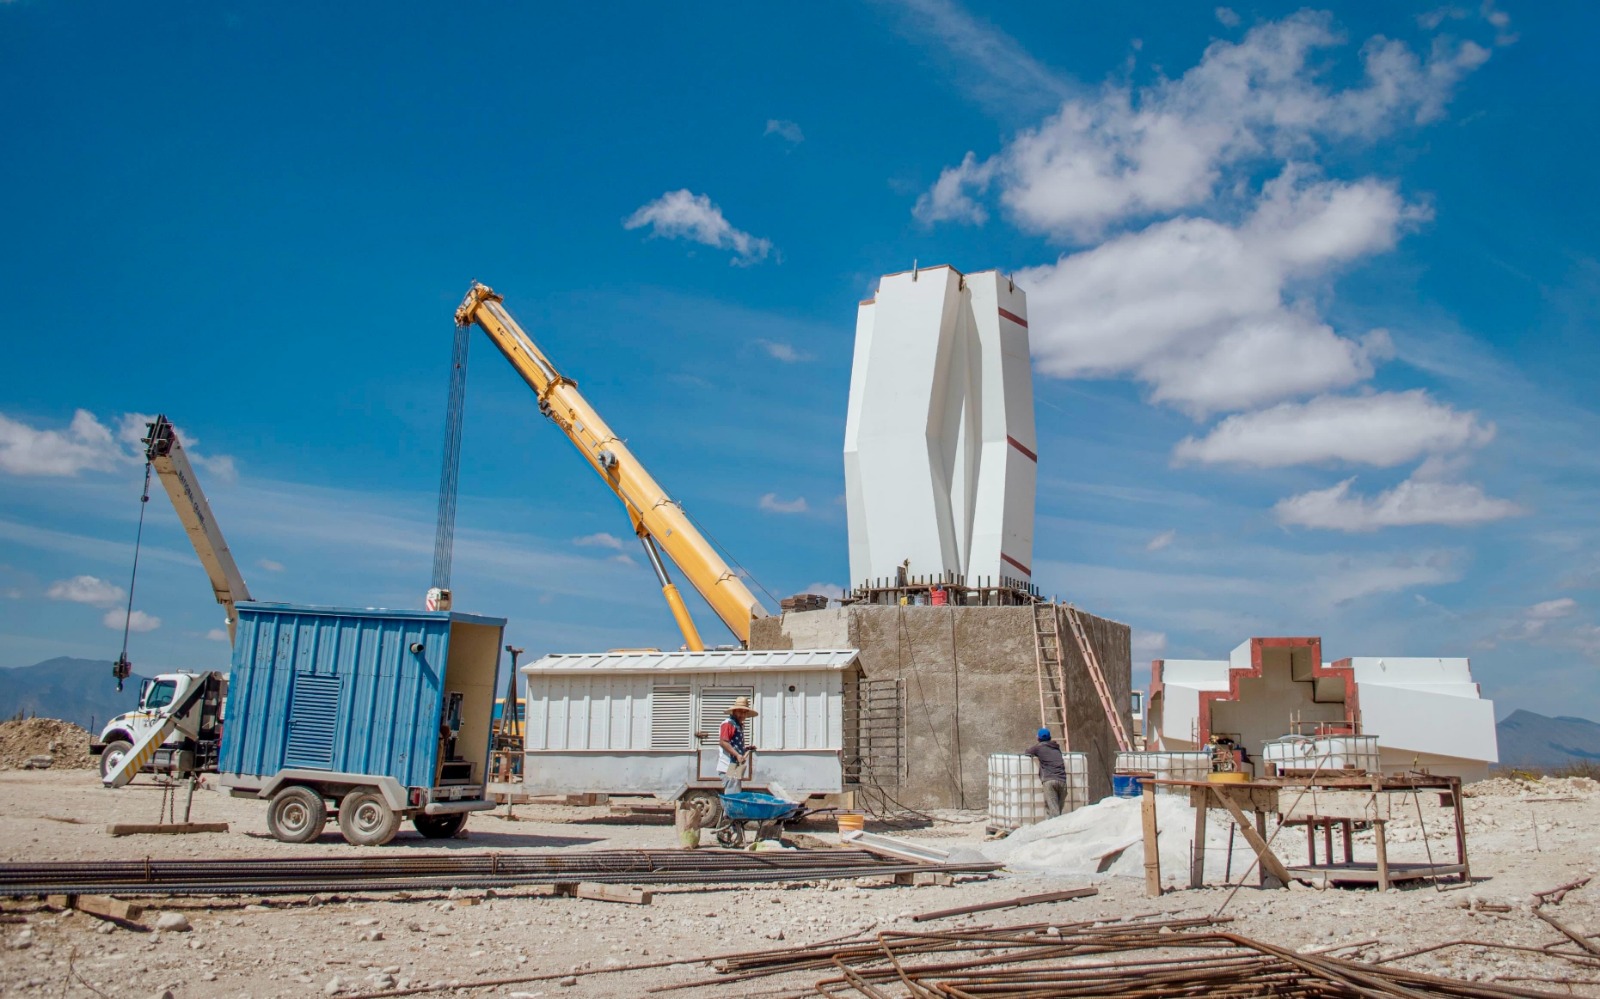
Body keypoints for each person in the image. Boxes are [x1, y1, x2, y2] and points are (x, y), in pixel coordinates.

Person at [717, 696, 758, 795]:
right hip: (729, 765)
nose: (742, 715)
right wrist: (737, 755)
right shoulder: (728, 724)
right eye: (740, 712)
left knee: (735, 790)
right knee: (732, 793)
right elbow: (723, 742)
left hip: (736, 765)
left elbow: (733, 744)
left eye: (744, 712)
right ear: (734, 712)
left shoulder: (737, 725)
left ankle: (729, 810)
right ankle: (729, 811)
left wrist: (745, 749)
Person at [1025, 727, 1070, 818]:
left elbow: (1027, 752)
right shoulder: (1056, 748)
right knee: (1058, 810)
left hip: (1049, 781)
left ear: (1039, 738)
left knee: (1054, 811)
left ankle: (1054, 830)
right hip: (1062, 781)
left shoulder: (1039, 747)